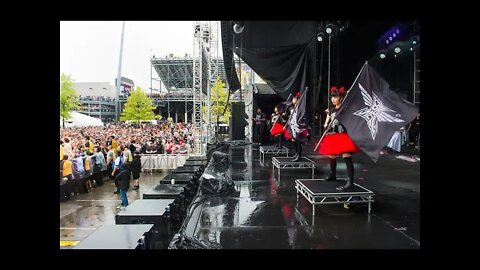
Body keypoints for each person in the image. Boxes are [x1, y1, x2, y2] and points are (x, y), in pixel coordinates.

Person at [318, 86, 360, 191]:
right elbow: (327, 122)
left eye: (335, 97)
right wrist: (326, 126)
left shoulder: (345, 108)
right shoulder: (331, 109)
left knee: (346, 156)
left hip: (342, 135)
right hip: (332, 135)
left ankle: (350, 182)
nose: (333, 99)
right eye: (332, 97)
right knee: (331, 156)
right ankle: (333, 175)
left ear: (341, 97)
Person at [285, 92, 308, 162]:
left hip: (298, 127)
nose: (293, 100)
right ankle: (296, 153)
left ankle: (299, 156)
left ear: (298, 100)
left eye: (295, 99)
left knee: (298, 141)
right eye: (293, 99)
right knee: (293, 140)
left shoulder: (301, 108)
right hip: (292, 126)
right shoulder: (293, 107)